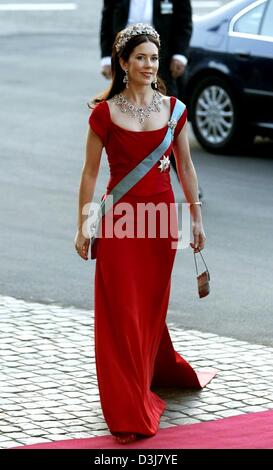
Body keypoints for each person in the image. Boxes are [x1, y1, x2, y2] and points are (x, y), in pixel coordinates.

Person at [75, 23, 215, 445]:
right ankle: (127, 403)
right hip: (119, 225)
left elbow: (186, 168)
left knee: (146, 311)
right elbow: (89, 173)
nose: (149, 64)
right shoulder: (103, 113)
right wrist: (84, 223)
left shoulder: (174, 109)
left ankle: (149, 375)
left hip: (158, 228)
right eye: (140, 57)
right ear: (123, 63)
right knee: (120, 313)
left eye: (154, 58)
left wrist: (196, 217)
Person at [99, 0, 204, 200]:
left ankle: (187, 183)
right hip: (127, 62)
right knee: (124, 130)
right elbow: (107, 18)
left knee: (166, 126)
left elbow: (184, 21)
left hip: (160, 62)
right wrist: (106, 57)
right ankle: (128, 183)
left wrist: (180, 54)